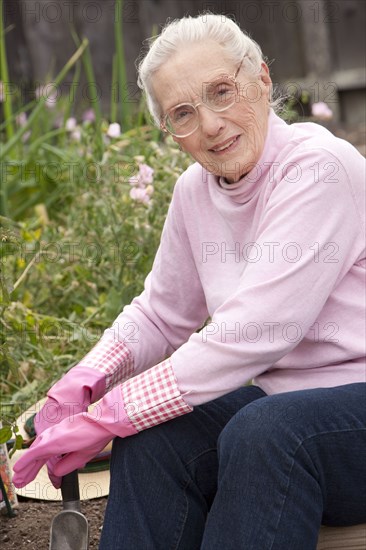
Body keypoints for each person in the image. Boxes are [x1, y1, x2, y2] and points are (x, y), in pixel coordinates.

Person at [13, 13, 366, 550]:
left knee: (266, 433)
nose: (210, 124)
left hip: (350, 413)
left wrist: (112, 413)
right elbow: (161, 311)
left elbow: (255, 331)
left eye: (222, 91)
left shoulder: (320, 169)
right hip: (283, 405)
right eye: (183, 113)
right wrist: (87, 380)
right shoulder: (195, 191)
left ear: (263, 79)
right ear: (168, 132)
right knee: (155, 437)